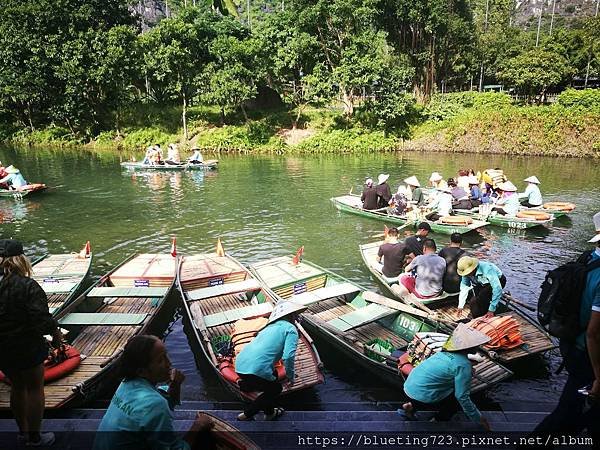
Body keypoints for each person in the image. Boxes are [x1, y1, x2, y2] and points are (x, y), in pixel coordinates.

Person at [527, 212, 600, 448]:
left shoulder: (587, 258)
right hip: (588, 354)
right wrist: (599, 376)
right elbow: (594, 333)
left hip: (570, 343)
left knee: (578, 410)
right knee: (567, 413)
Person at [93, 335, 214, 450]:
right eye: (161, 360)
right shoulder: (155, 404)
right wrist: (198, 426)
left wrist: (175, 384)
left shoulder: (126, 383)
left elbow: (161, 404)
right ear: (142, 371)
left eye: (166, 355)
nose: (169, 363)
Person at [0, 239, 64, 447]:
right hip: (27, 346)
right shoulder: (29, 286)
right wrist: (55, 333)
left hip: (3, 348)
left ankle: (22, 433)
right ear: (22, 260)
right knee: (35, 388)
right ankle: (36, 438)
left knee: (17, 388)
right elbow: (41, 319)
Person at [401, 323, 491, 430]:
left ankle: (410, 406)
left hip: (408, 387)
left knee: (432, 387)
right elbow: (462, 396)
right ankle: (437, 421)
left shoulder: (441, 353)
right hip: (422, 397)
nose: (478, 346)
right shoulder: (463, 365)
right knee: (456, 402)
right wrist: (479, 419)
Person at [235, 301, 306, 421]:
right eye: (295, 315)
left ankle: (269, 413)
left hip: (239, 365)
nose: (296, 318)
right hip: (256, 370)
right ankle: (247, 414)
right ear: (291, 316)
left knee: (272, 376)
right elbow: (288, 357)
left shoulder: (268, 327)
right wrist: (290, 377)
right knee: (275, 389)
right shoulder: (290, 329)